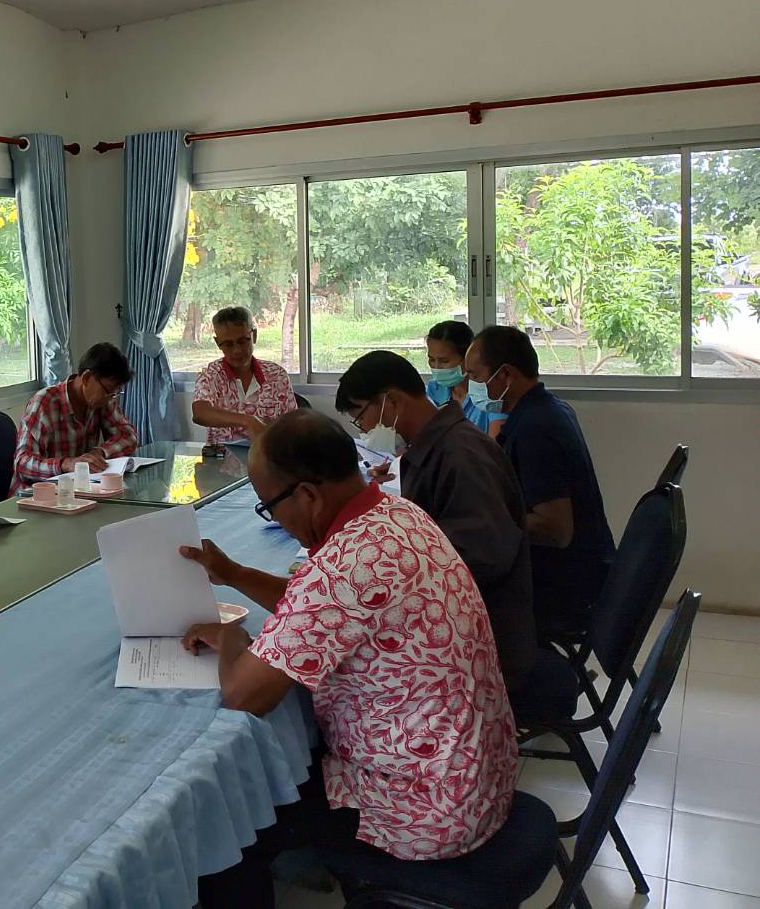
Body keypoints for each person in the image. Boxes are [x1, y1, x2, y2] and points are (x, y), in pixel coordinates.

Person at [179, 411, 517, 906]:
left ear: (307, 495)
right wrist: (232, 574)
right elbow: (314, 607)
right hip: (477, 779)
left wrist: (230, 637)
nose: (275, 520)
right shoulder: (397, 514)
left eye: (270, 507)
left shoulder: (345, 568)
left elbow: (245, 695)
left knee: (233, 816)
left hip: (426, 810)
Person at [335, 350, 535, 689]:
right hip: (452, 622)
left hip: (478, 644)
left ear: (391, 401)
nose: (364, 429)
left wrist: (391, 570)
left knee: (349, 674)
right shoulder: (432, 447)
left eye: (361, 416)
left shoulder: (460, 455)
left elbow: (483, 556)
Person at [466, 325, 615, 635]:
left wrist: (488, 519)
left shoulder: (536, 429)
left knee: (460, 594)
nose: (471, 387)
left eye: (476, 377)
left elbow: (556, 529)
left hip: (563, 589)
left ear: (506, 375)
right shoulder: (548, 408)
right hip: (584, 573)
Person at [11, 342, 140, 493]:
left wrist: (100, 452)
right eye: (108, 390)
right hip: (34, 496)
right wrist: (66, 464)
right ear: (86, 378)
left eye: (115, 393)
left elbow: (128, 436)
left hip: (76, 493)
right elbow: (22, 463)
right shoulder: (45, 403)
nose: (110, 398)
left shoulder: (102, 400)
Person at [191, 305, 298, 446]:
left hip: (267, 455)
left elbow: (293, 425)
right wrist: (248, 420)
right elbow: (200, 413)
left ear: (254, 335)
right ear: (218, 343)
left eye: (243, 341)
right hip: (221, 457)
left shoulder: (277, 375)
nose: (237, 350)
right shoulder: (211, 375)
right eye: (228, 344)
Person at [425, 319, 504, 436]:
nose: (436, 367)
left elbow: (496, 443)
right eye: (431, 359)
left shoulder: (487, 393)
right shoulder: (433, 390)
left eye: (444, 361)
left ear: (467, 358)